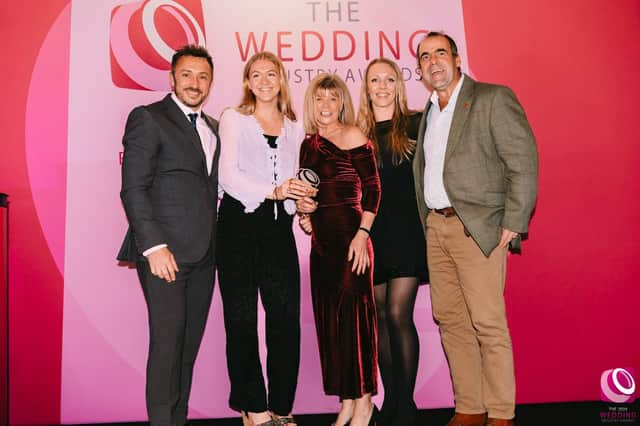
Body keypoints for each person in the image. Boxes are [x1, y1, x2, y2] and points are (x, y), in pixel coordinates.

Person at [413, 32, 538, 426]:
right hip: (437, 227)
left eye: (440, 53)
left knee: (487, 322)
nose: (433, 62)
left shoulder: (491, 98)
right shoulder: (429, 111)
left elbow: (523, 160)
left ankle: (501, 413)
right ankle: (470, 407)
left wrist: (514, 222)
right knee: (450, 320)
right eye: (425, 56)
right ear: (419, 69)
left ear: (457, 58)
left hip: (477, 229)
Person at [117, 44, 219, 426]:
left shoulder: (212, 128)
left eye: (203, 76)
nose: (196, 83)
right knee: (166, 346)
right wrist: (154, 246)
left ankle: (178, 419)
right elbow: (133, 188)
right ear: (172, 78)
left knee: (187, 350)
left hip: (206, 256)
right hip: (165, 255)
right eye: (188, 75)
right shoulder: (149, 118)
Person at [216, 51, 315, 426]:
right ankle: (253, 407)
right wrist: (275, 190)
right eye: (255, 75)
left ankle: (282, 408)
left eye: (270, 73)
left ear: (281, 79)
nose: (264, 81)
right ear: (248, 82)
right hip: (237, 227)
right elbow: (228, 176)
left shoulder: (294, 126)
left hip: (278, 229)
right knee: (240, 319)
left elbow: (297, 180)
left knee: (285, 320)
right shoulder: (234, 118)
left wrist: (303, 202)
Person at [299, 73, 381, 426]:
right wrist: (305, 215)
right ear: (311, 104)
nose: (326, 106)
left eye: (333, 99)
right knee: (330, 325)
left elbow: (374, 189)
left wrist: (362, 234)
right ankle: (346, 402)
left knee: (355, 322)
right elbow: (308, 194)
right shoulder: (308, 144)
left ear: (342, 103)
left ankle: (364, 404)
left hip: (352, 243)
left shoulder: (353, 135)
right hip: (321, 248)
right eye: (320, 99)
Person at [356, 58, 428, 426]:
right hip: (372, 235)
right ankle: (393, 403)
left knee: (400, 314)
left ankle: (406, 405)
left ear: (398, 85)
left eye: (388, 79)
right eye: (374, 80)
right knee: (381, 318)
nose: (381, 86)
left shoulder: (417, 124)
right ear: (366, 87)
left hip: (408, 233)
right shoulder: (356, 133)